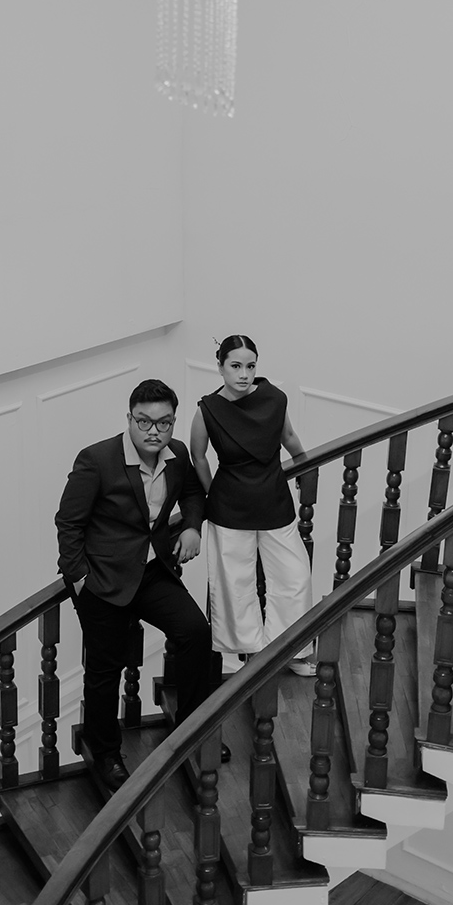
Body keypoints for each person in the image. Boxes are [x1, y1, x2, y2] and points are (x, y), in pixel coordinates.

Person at [56, 378, 222, 791]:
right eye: (144, 421)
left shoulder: (177, 455)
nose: (153, 431)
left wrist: (192, 527)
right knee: (104, 669)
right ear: (129, 419)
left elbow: (193, 494)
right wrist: (80, 581)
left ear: (173, 423)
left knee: (195, 632)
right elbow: (69, 523)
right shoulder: (97, 459)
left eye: (164, 423)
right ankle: (105, 754)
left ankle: (192, 728)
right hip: (104, 581)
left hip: (152, 573)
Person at [190, 335, 315, 676]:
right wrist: (212, 492)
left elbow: (289, 438)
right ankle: (252, 658)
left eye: (250, 366)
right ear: (220, 367)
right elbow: (198, 456)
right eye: (235, 366)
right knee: (235, 585)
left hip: (274, 499)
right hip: (229, 507)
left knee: (295, 577)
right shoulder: (207, 410)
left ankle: (290, 651)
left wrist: (305, 467)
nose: (243, 374)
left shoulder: (275, 398)